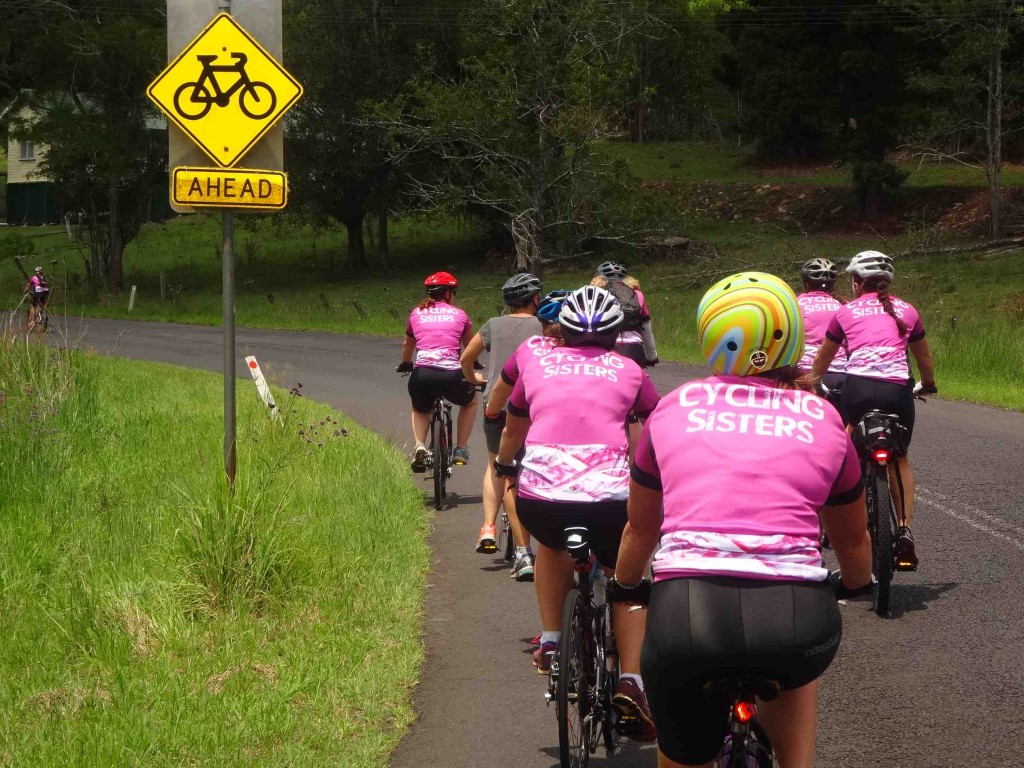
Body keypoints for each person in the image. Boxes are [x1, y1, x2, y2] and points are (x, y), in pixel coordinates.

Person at [610, 271, 873, 768]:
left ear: (711, 339)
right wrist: (855, 585)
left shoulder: (671, 409)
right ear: (792, 336)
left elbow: (640, 528)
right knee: (793, 676)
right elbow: (853, 539)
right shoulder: (824, 418)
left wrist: (626, 585)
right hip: (796, 620)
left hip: (685, 617)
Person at [493, 285, 661, 739]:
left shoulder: (540, 363)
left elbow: (513, 426)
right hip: (609, 502)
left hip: (541, 500)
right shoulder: (629, 370)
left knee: (551, 547)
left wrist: (505, 465)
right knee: (626, 578)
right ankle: (631, 679)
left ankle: (550, 641)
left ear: (562, 331)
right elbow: (653, 427)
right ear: (615, 335)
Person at [811, 250, 936, 570]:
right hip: (897, 391)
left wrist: (814, 383)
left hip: (858, 391)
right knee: (901, 458)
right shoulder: (908, 310)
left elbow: (824, 358)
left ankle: (834, 520)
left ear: (856, 282)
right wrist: (928, 383)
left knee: (847, 443)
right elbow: (924, 359)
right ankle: (905, 529)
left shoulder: (845, 312)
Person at [460, 273, 543, 579]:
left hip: (497, 405)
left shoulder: (493, 325)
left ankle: (488, 527)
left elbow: (466, 358)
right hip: (533, 407)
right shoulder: (544, 326)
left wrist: (474, 380)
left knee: (496, 465)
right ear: (535, 299)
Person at [396, 272, 477, 471]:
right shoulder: (460, 315)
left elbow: (408, 344)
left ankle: (420, 447)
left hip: (423, 374)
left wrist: (406, 363)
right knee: (471, 401)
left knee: (420, 408)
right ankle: (460, 448)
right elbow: (471, 347)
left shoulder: (416, 313)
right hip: (452, 375)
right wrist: (474, 364)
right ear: (448, 294)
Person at [594, 261, 658, 367]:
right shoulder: (637, 294)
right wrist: (652, 356)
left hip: (606, 348)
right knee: (636, 381)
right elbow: (646, 328)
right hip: (633, 348)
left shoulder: (595, 293)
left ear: (598, 278)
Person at [796, 258, 846, 392]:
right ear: (832, 285)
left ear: (806, 284)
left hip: (804, 375)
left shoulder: (793, 305)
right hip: (840, 373)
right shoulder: (844, 307)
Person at [25, 266, 49, 332]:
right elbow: (47, 285)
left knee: (33, 306)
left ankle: (32, 321)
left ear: (36, 272)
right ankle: (42, 314)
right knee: (42, 304)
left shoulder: (33, 277)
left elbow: (28, 286)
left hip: (37, 293)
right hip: (46, 293)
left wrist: (25, 291)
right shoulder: (45, 278)